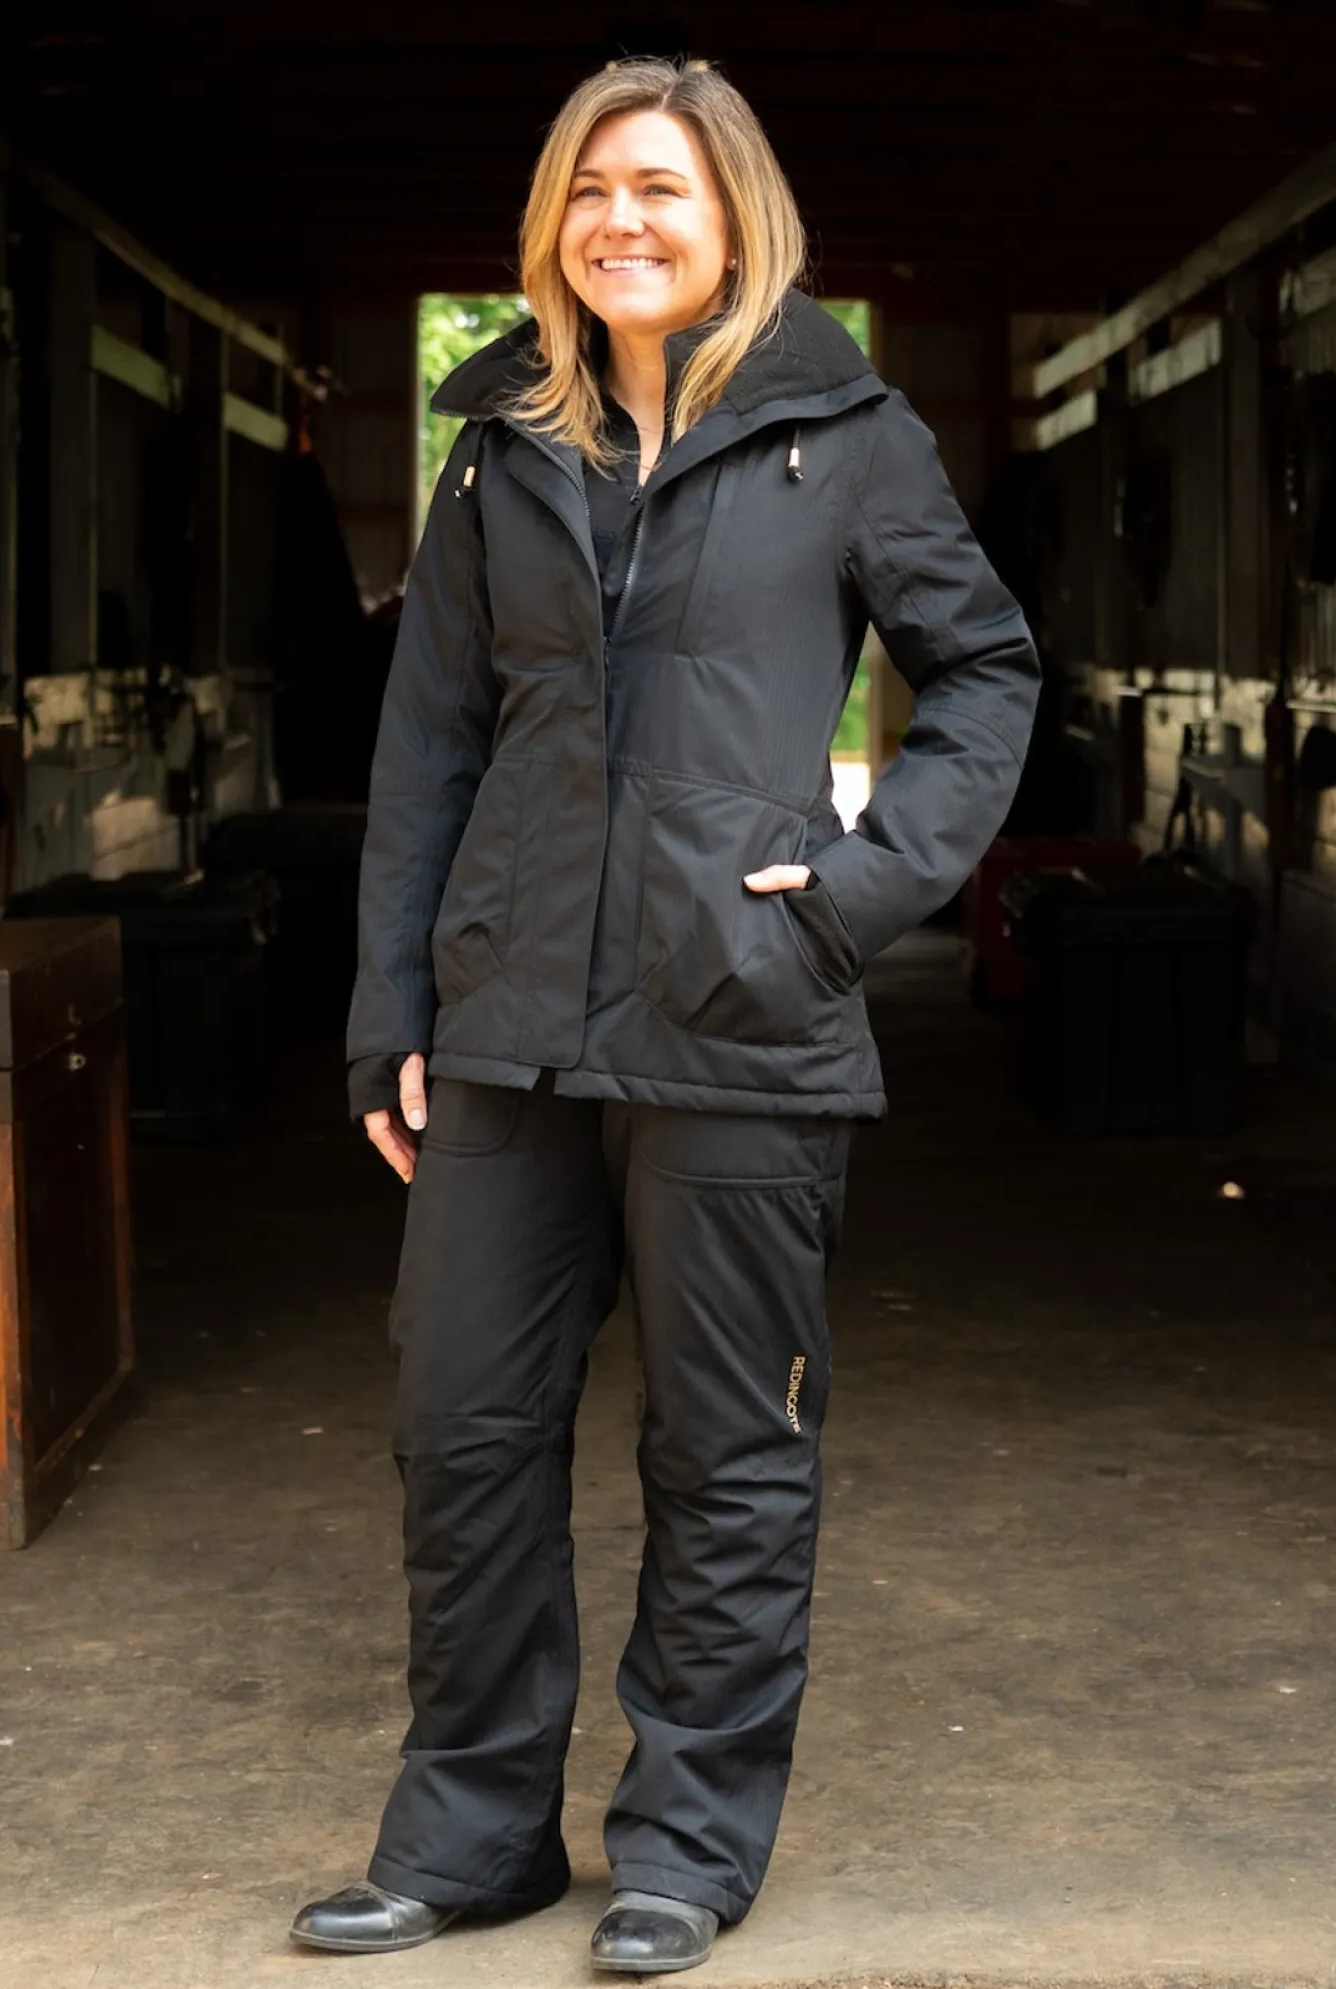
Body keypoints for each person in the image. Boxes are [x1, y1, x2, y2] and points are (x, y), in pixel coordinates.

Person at [293, 55, 1039, 1976]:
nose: (621, 220)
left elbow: (985, 674)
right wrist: (391, 1005)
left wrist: (858, 893)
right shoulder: (499, 450)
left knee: (727, 1453)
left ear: (735, 219)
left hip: (738, 1016)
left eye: (661, 189)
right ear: (553, 221)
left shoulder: (844, 433)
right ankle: (471, 1840)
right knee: (463, 1428)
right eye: (591, 189)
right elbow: (429, 742)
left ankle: (686, 1853)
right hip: (509, 1022)